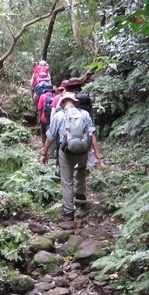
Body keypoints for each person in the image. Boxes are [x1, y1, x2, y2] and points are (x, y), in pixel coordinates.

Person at [41, 91, 101, 221]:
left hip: (66, 151)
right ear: (74, 102)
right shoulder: (84, 114)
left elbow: (50, 136)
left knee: (67, 181)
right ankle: (80, 195)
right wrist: (96, 153)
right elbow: (92, 133)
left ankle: (68, 212)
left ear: (62, 103)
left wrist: (44, 154)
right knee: (80, 170)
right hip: (83, 151)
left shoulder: (58, 116)